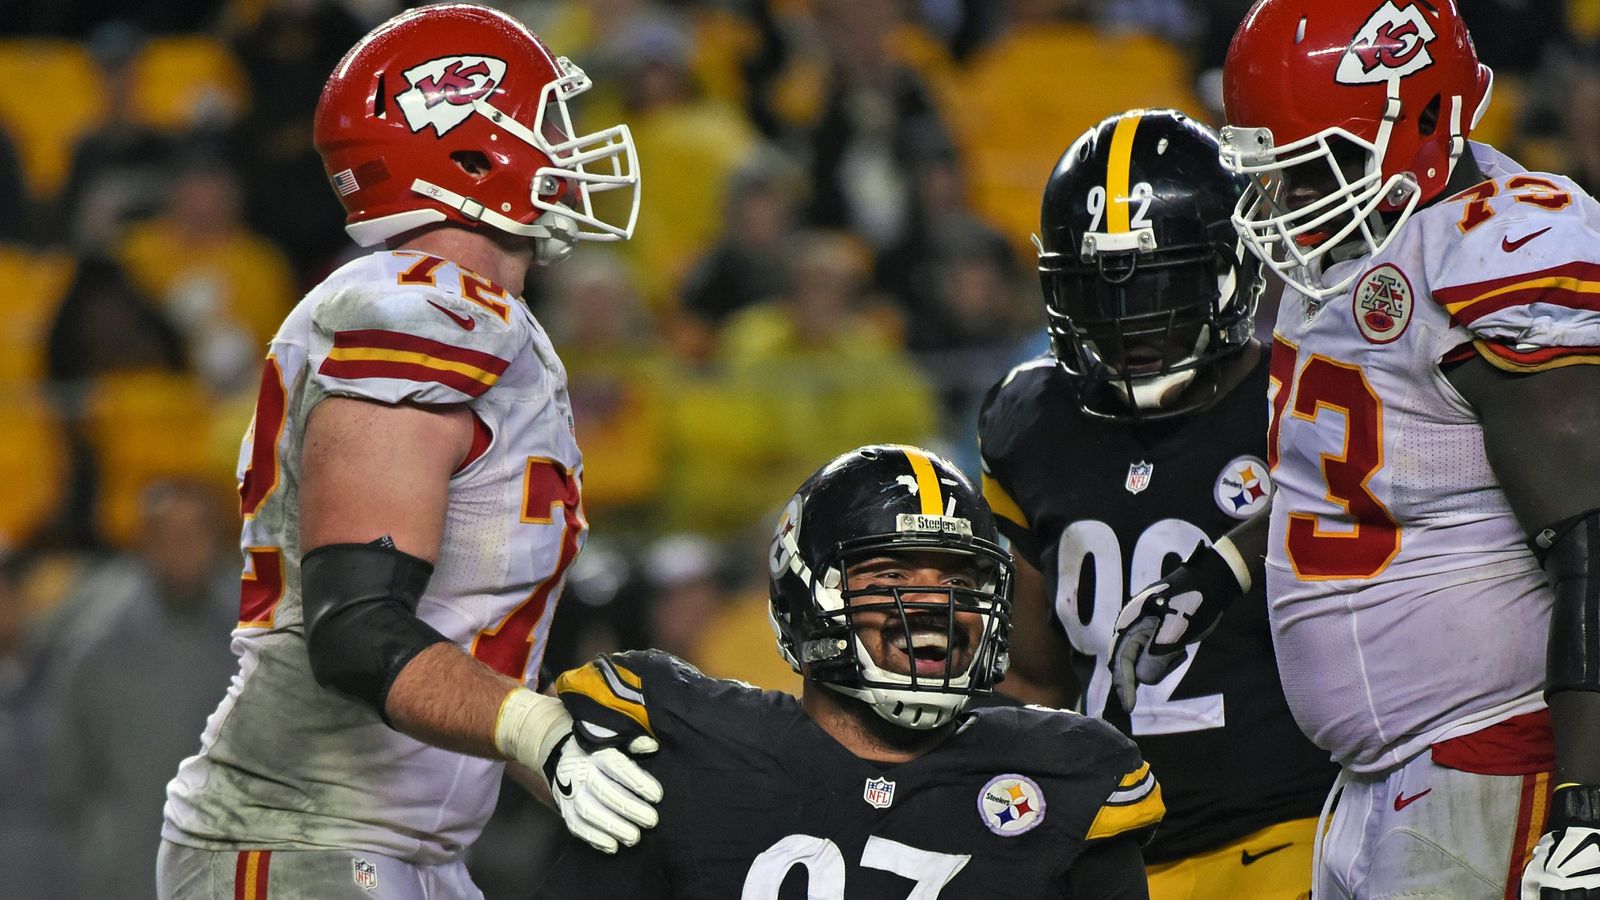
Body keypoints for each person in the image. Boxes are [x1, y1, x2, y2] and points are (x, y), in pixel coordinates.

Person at [158, 6, 660, 898]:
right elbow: (357, 632)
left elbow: (458, 647)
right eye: (542, 121)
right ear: (468, 150)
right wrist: (539, 731)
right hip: (304, 836)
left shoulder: (480, 319)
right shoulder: (421, 309)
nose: (563, 148)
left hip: (397, 847)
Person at [1110, 1, 1600, 897]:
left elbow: (1592, 542)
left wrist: (1589, 804)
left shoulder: (1499, 251)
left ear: (1421, 120)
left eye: (1312, 170)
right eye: (1278, 172)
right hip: (1383, 781)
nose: (1290, 203)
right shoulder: (1353, 240)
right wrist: (1223, 568)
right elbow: (1359, 474)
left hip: (1492, 763)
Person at [535, 445, 1166, 898]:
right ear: (809, 594)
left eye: (957, 581)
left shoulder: (1067, 772)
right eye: (891, 576)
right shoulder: (681, 737)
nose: (934, 608)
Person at [978, 108, 1337, 898]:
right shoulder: (1031, 423)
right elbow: (1034, 676)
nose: (1133, 320)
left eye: (1163, 282)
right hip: (1111, 847)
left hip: (1292, 833)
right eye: (1101, 292)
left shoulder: (1300, 397)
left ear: (1229, 269)